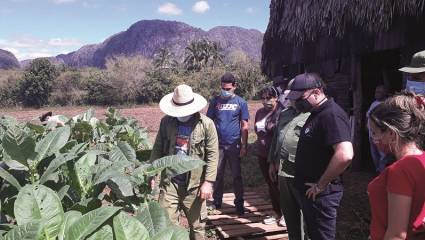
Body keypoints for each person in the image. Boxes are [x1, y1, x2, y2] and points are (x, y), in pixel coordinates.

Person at [286, 73, 354, 240]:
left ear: (316, 92)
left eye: (300, 98)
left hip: (322, 195)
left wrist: (321, 184)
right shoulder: (316, 113)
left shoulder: (331, 115)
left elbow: (345, 154)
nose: (296, 102)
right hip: (311, 192)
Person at [150, 84, 219, 240]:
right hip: (170, 183)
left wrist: (208, 182)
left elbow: (213, 155)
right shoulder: (166, 122)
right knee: (167, 226)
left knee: (197, 227)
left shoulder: (206, 124)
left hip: (194, 184)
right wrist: (153, 174)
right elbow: (158, 149)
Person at [367, 91, 425, 240]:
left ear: (391, 134)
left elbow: (397, 235)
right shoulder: (421, 160)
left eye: (374, 133)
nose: (373, 139)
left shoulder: (400, 171)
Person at [268, 80, 310, 240]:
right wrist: (272, 162)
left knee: (307, 214)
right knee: (290, 212)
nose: (290, 100)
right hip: (283, 171)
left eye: (294, 97)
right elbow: (276, 139)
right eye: (289, 98)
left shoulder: (313, 116)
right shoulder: (285, 114)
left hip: (302, 173)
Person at [207, 72, 249, 215]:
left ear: (235, 87)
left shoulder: (241, 102)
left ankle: (239, 204)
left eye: (228, 89)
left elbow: (244, 125)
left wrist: (244, 145)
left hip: (234, 145)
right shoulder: (215, 101)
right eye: (223, 89)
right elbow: (208, 122)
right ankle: (217, 201)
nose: (225, 92)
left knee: (236, 175)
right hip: (217, 145)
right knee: (218, 174)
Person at [254, 86, 281, 221]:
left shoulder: (281, 113)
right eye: (263, 98)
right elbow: (258, 132)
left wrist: (274, 160)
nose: (266, 101)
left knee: (279, 185)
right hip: (262, 154)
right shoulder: (259, 112)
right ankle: (277, 213)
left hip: (275, 156)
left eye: (269, 98)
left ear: (276, 98)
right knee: (271, 185)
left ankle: (285, 215)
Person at [366, 85, 389, 173]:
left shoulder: (387, 104)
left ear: (384, 94)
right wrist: (366, 125)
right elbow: (368, 115)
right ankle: (378, 170)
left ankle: (381, 172)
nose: (376, 94)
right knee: (374, 153)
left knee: (383, 154)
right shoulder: (374, 103)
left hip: (381, 134)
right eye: (376, 92)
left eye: (379, 92)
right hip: (371, 133)